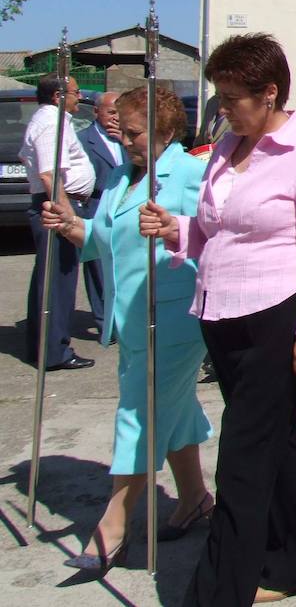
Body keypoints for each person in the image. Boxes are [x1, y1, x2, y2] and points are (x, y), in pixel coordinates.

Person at [139, 33, 296, 605]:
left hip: (274, 316)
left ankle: (219, 590)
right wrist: (176, 228)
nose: (222, 108)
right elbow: (214, 230)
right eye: (220, 96)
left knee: (242, 457)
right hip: (220, 310)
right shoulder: (227, 149)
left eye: (232, 97)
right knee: (279, 439)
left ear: (270, 93)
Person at [43, 88, 213, 574]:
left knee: (141, 411)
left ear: (164, 130)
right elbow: (102, 238)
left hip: (177, 319)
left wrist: (176, 228)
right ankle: (197, 499)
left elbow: (215, 234)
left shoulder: (188, 172)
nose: (126, 141)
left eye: (134, 133)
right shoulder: (121, 175)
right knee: (171, 409)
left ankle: (113, 524)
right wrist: (71, 225)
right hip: (133, 319)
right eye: (122, 131)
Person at [22, 71, 96, 370]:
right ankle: (54, 352)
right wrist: (66, 215)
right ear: (58, 96)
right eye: (76, 92)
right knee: (57, 283)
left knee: (51, 278)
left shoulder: (52, 119)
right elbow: (49, 173)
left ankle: (45, 347)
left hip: (56, 202)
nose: (80, 97)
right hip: (56, 205)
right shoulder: (52, 121)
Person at [76, 90, 122, 332]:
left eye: (119, 113)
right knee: (97, 268)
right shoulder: (83, 139)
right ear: (96, 112)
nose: (116, 118)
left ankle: (120, 315)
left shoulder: (128, 139)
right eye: (111, 112)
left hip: (123, 207)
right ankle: (105, 321)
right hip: (95, 206)